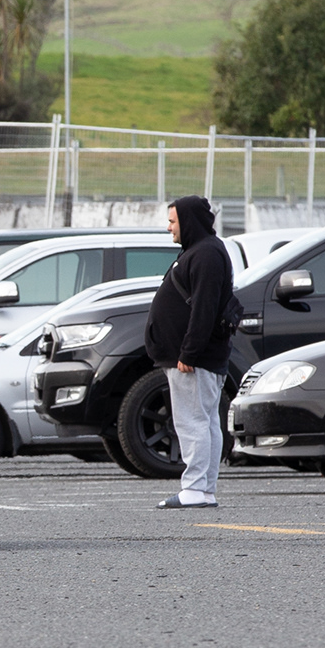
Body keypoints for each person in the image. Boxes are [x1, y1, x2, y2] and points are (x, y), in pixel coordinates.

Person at [143, 194, 233, 513]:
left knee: (193, 422)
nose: (168, 227)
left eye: (172, 221)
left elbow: (204, 309)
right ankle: (204, 489)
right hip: (196, 358)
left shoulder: (206, 254)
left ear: (188, 221)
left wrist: (189, 352)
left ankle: (195, 488)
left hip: (195, 360)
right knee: (204, 421)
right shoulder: (201, 250)